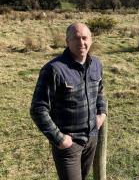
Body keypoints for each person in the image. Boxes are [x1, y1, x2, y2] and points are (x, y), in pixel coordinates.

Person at [30, 22, 107, 180]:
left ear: (91, 40)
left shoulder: (96, 65)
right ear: (67, 41)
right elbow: (38, 109)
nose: (81, 43)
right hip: (69, 144)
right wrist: (60, 139)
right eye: (76, 38)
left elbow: (100, 91)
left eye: (85, 38)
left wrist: (102, 113)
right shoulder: (54, 69)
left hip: (92, 138)